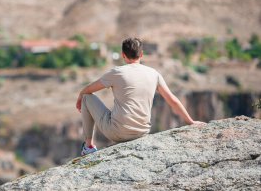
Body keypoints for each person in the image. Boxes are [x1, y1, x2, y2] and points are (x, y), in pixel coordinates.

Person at [76, 37, 205, 156]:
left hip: (117, 132)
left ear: (123, 55)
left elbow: (89, 89)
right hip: (141, 132)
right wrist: (190, 121)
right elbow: (172, 100)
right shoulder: (154, 74)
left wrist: (81, 95)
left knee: (87, 97)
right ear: (141, 54)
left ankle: (89, 146)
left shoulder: (117, 72)